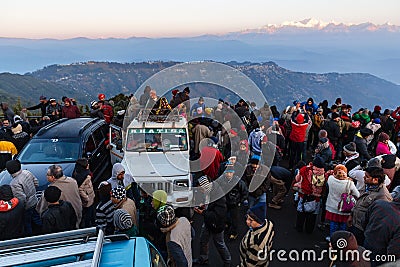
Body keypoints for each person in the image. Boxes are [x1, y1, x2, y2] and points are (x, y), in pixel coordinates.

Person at [348, 166, 393, 245]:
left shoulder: (383, 196)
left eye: (367, 177)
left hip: (363, 230)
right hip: (356, 224)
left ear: (375, 180)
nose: (364, 177)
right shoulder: (368, 186)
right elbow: (360, 202)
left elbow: (379, 218)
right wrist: (352, 215)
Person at [193, 176, 231, 267]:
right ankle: (203, 258)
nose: (200, 191)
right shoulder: (209, 191)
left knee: (219, 244)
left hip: (217, 224)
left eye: (200, 189)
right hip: (208, 222)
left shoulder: (218, 196)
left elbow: (218, 215)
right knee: (203, 240)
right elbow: (209, 205)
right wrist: (204, 206)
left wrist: (203, 212)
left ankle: (227, 261)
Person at [363, 186, 400, 266]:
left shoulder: (379, 204)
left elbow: (364, 221)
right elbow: (394, 251)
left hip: (367, 243)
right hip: (380, 256)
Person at [325, 165, 359, 241]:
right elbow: (357, 195)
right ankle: (341, 240)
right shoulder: (350, 183)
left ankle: (332, 239)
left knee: (333, 224)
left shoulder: (330, 179)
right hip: (345, 208)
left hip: (332, 207)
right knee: (343, 225)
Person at [293, 156, 327, 234]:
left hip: (304, 195)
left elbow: (298, 179)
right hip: (316, 198)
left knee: (301, 212)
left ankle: (299, 228)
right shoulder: (324, 173)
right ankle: (309, 230)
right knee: (313, 214)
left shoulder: (305, 169)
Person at [6, 159, 40, 236]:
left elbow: (21, 199)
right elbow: (36, 183)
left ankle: (30, 238)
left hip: (27, 207)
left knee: (27, 224)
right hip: (34, 201)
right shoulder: (27, 172)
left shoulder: (14, 183)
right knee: (36, 219)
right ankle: (42, 231)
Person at [217, 167, 248, 240]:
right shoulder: (221, 181)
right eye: (227, 172)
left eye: (230, 172)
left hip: (235, 204)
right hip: (225, 203)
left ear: (233, 173)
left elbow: (245, 192)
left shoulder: (238, 182)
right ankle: (227, 224)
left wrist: (240, 201)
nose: (228, 174)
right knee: (225, 216)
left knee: (235, 219)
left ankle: (234, 232)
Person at [240, 203, 275, 267]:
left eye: (250, 220)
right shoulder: (269, 223)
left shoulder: (257, 243)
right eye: (247, 217)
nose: (247, 221)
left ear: (258, 221)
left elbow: (249, 264)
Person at [72, 158, 95, 228]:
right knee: (88, 216)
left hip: (87, 198)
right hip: (88, 200)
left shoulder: (77, 173)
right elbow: (80, 189)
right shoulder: (86, 176)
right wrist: (87, 198)